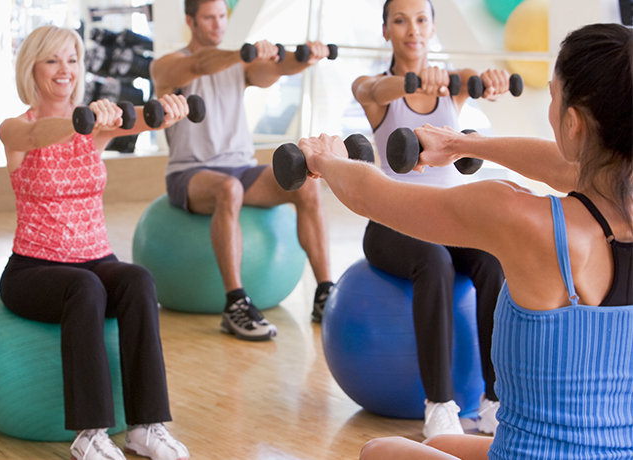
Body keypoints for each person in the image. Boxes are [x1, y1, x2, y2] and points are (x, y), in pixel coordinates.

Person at [296, 22, 633, 460]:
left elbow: (371, 195)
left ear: (572, 123)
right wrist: (458, 143)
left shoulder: (522, 219)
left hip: (532, 454)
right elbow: (571, 169)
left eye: (554, 96)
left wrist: (328, 160)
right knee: (440, 443)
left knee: (379, 451)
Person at [0, 25, 191, 460]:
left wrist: (167, 107)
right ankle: (90, 433)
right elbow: (33, 137)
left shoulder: (93, 124)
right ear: (32, 68)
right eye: (52, 60)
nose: (64, 70)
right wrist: (78, 120)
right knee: (85, 289)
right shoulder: (15, 128)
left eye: (72, 60)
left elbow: (139, 117)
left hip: (94, 257)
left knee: (138, 279)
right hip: (33, 267)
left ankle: (145, 426)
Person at [350, 0, 513, 438]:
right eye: (400, 21)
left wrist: (491, 83)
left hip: (444, 219)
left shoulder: (451, 85)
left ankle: (495, 401)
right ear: (385, 30)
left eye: (421, 20)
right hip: (390, 223)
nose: (412, 30)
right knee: (435, 261)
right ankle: (439, 404)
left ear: (433, 26)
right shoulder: (371, 87)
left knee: (492, 259)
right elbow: (376, 92)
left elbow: (481, 87)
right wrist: (411, 81)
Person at [150, 0, 335, 341]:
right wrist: (244, 54)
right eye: (209, 17)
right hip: (190, 173)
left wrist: (304, 57)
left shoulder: (239, 64)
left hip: (242, 167)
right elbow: (201, 64)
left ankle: (325, 294)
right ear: (191, 20)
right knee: (228, 190)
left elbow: (275, 71)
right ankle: (235, 304)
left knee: (306, 183)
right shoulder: (167, 66)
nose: (218, 24)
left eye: (222, 16)